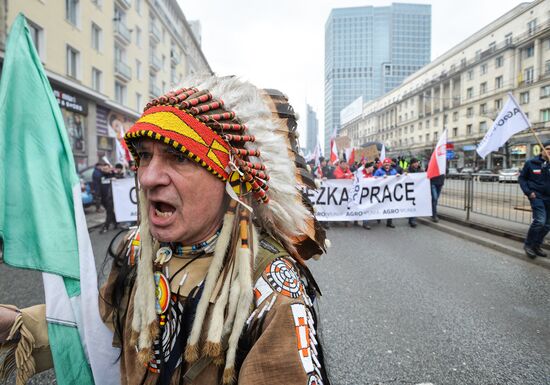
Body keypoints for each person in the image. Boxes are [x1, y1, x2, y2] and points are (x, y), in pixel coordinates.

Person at [0, 76, 330, 385]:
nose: (148, 177)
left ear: (233, 178)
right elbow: (95, 327)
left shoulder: (272, 292)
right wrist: (11, 324)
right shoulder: (137, 248)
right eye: (144, 156)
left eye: (178, 157)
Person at [518, 140, 550, 259]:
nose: (549, 152)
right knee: (540, 221)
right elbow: (522, 179)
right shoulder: (531, 163)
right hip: (537, 197)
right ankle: (528, 245)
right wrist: (528, 192)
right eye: (547, 149)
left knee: (547, 225)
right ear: (542, 150)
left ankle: (536, 245)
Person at [374, 158, 399, 228]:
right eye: (385, 163)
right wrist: (381, 177)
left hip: (390, 191)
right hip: (381, 192)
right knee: (379, 205)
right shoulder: (379, 171)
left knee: (390, 205)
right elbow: (374, 178)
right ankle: (378, 216)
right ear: (383, 164)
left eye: (388, 164)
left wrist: (398, 176)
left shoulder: (393, 170)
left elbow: (397, 176)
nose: (387, 165)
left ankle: (389, 222)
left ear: (390, 164)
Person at [406, 158, 423, 228]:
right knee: (412, 205)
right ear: (411, 163)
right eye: (415, 163)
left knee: (415, 205)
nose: (416, 164)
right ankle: (412, 220)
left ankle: (412, 219)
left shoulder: (421, 170)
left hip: (418, 190)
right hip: (410, 190)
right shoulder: (407, 170)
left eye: (417, 162)